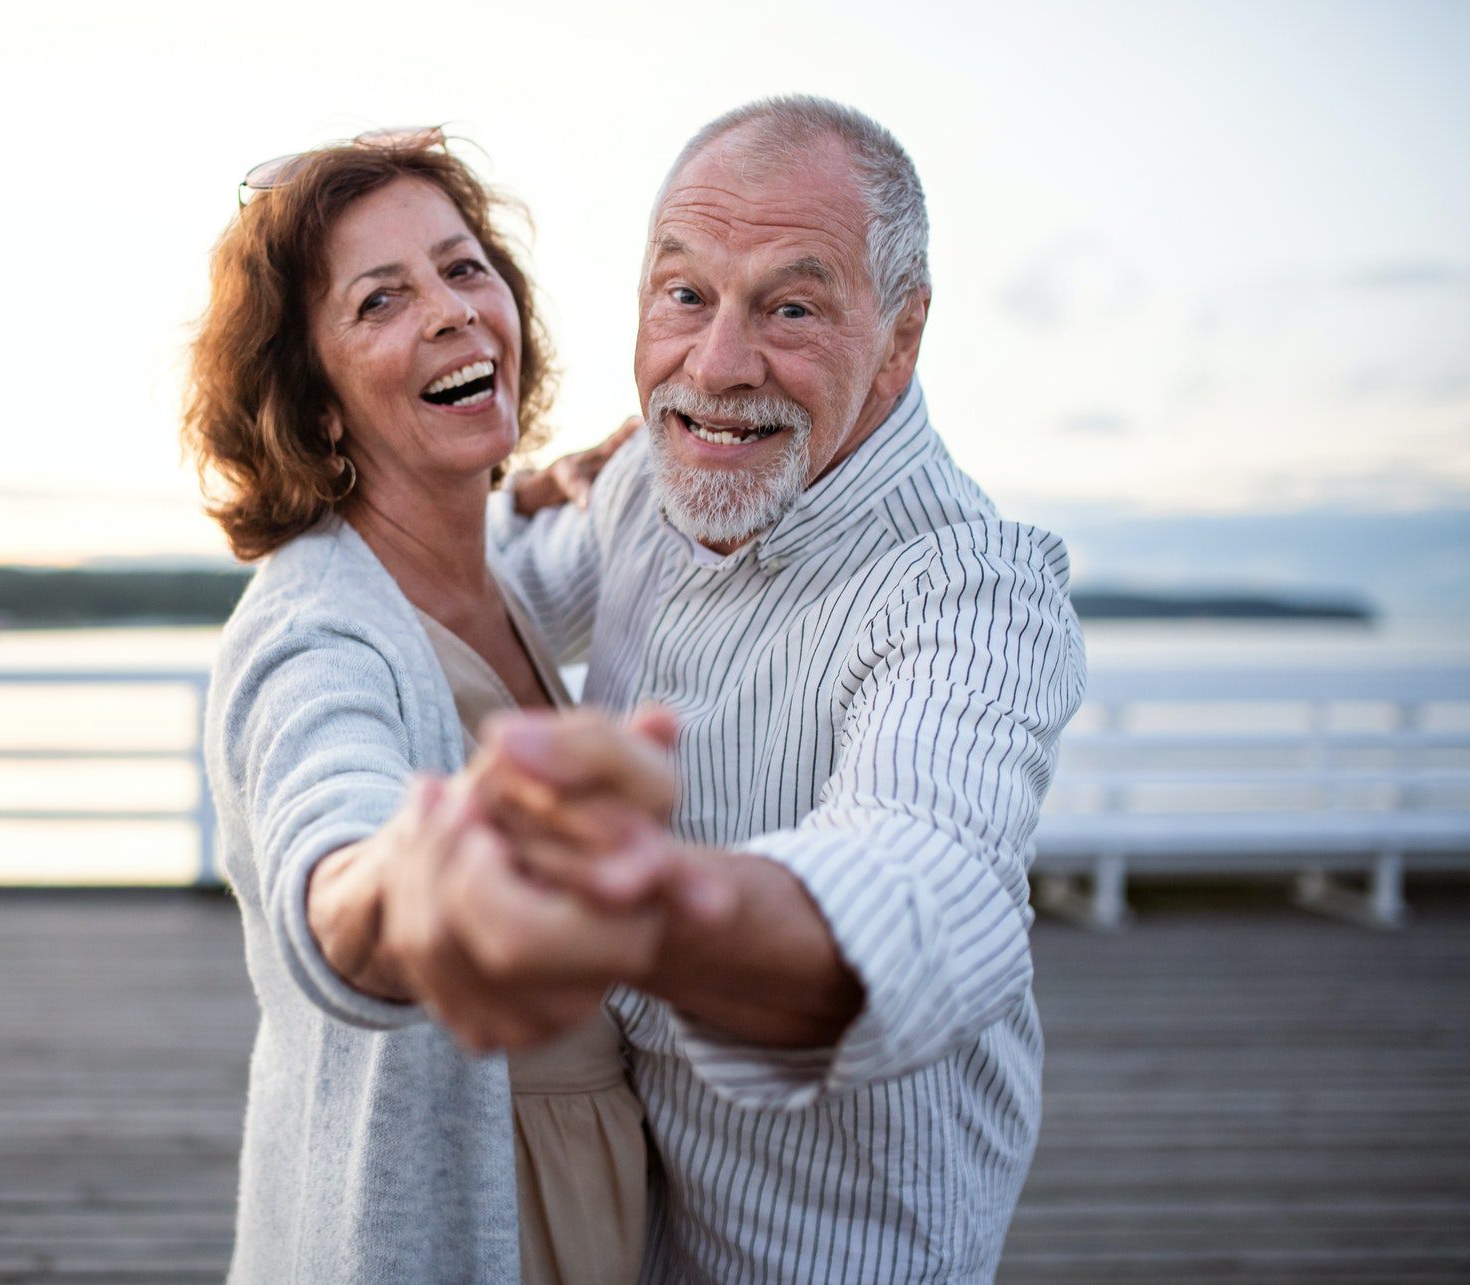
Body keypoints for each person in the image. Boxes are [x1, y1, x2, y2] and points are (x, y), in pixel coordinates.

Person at [359, 96, 1089, 1283]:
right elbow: (484, 593)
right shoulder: (653, 472)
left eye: (790, 307)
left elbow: (922, 874)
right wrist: (478, 488)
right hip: (627, 1224)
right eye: (685, 295)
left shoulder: (973, 593)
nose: (717, 363)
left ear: (900, 335)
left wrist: (636, 910)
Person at [185, 130, 657, 1284]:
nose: (448, 311)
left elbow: (564, 544)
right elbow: (327, 831)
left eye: (461, 268)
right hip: (463, 1219)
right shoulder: (313, 631)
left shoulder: (487, 571)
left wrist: (659, 426)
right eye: (379, 299)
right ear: (319, 400)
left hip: (587, 1185)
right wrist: (400, 885)